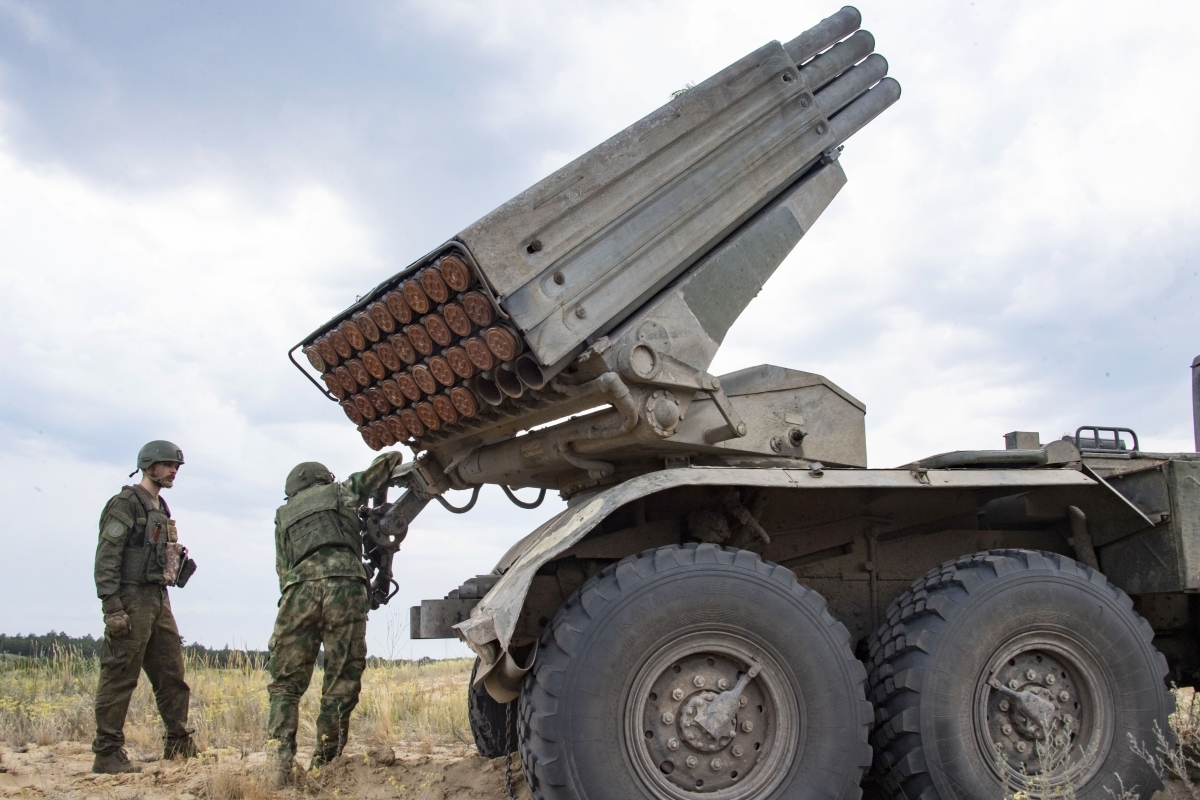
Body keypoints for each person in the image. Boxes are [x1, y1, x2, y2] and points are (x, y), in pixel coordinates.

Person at [267, 451, 404, 785]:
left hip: (299, 590)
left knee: (285, 683)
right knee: (341, 678)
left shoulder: (283, 514)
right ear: (324, 480)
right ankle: (326, 764)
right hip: (346, 585)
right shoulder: (341, 492)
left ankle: (279, 766)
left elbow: (283, 570)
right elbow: (388, 461)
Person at [92, 440, 198, 774]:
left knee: (172, 675)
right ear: (149, 465)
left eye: (176, 466)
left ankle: (179, 743)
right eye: (168, 465)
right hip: (131, 598)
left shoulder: (160, 506)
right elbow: (107, 558)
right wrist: (113, 607)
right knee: (120, 675)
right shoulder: (125, 504)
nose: (173, 471)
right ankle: (107, 752)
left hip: (157, 598)